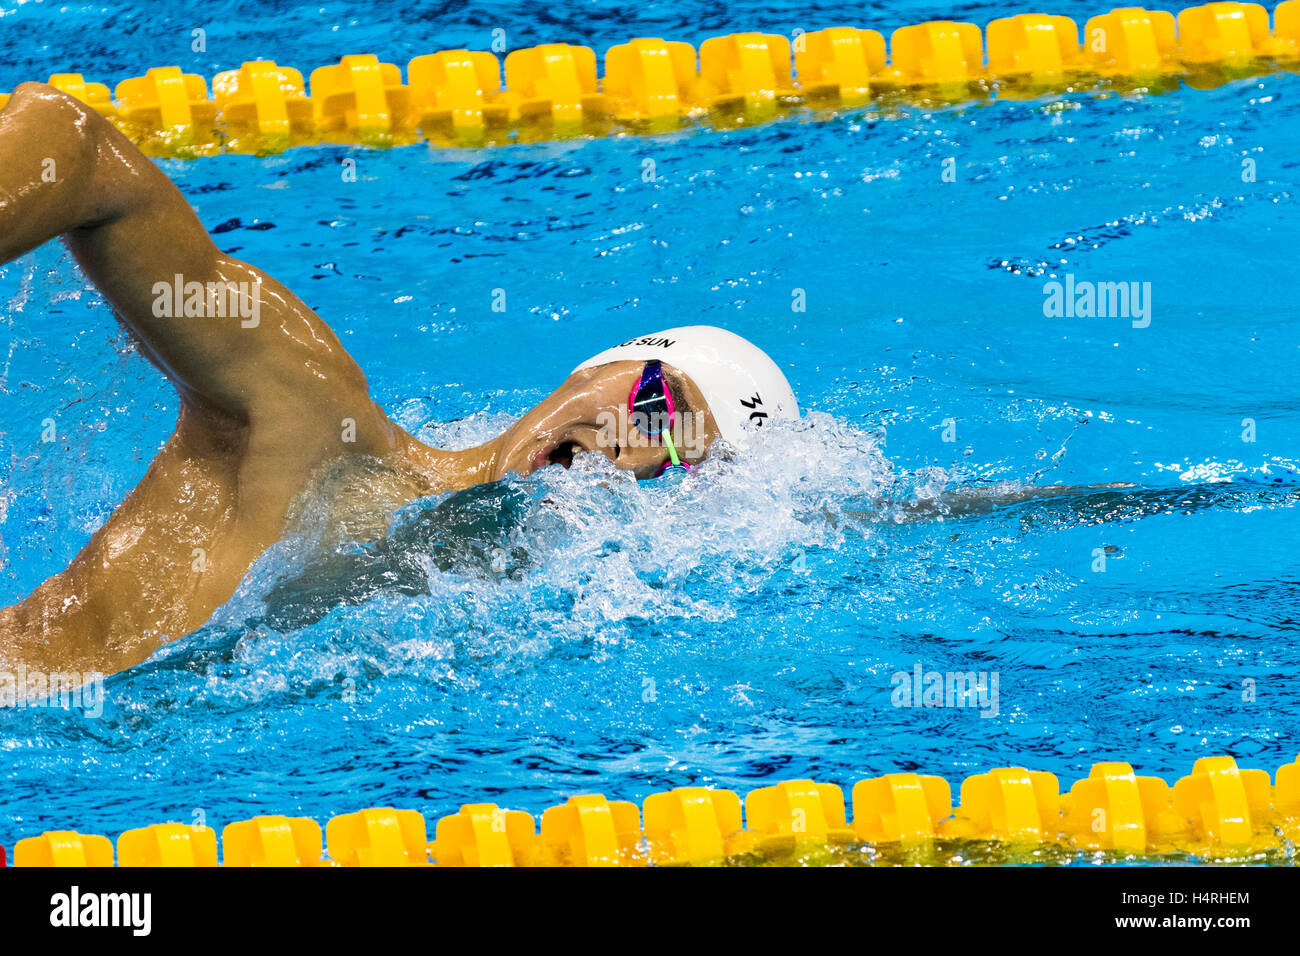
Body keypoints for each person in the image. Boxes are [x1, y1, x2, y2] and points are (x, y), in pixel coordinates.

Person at [0, 83, 798, 675]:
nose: (633, 450)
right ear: (594, 370)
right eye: (657, 404)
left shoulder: (488, 649)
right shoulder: (312, 415)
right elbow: (75, 146)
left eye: (678, 464)